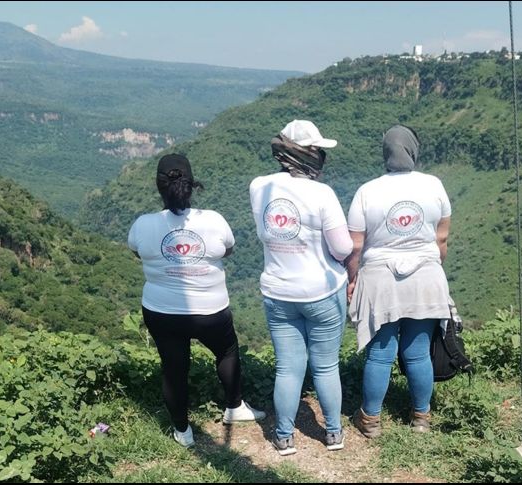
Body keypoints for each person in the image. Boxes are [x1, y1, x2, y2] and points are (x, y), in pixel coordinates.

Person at [128, 153, 265, 448]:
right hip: (210, 310)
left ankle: (182, 431)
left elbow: (138, 252)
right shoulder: (213, 220)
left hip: (161, 311)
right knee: (226, 351)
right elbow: (227, 250)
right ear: (192, 184)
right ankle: (234, 406)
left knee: (174, 368)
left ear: (158, 186)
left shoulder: (143, 224)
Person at [249, 120, 353, 455]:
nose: (321, 155)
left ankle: (283, 436)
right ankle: (333, 433)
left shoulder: (259, 187)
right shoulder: (322, 193)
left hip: (278, 292)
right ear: (305, 153)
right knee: (325, 365)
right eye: (317, 150)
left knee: (288, 366)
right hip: (322, 291)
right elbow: (342, 248)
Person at [346, 125, 451, 437]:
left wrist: (352, 279)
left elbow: (355, 246)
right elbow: (442, 239)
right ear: (413, 150)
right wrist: (430, 267)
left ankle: (370, 420)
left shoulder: (367, 191)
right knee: (417, 351)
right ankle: (421, 418)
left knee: (380, 353)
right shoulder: (434, 186)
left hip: (379, 279)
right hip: (426, 276)